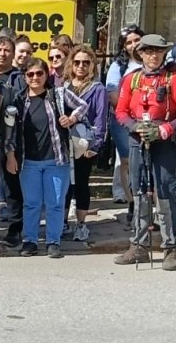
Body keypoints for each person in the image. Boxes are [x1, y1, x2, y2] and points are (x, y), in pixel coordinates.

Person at [114, 34, 176, 272]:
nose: (153, 55)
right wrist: (134, 127)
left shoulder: (174, 79)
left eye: (157, 51)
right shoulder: (131, 80)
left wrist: (166, 129)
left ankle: (171, 247)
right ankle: (138, 245)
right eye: (148, 51)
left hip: (164, 139)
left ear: (164, 53)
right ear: (140, 53)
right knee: (139, 191)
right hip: (138, 138)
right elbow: (120, 111)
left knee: (165, 193)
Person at [5, 58, 87, 259]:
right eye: (30, 74)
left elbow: (83, 105)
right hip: (28, 161)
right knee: (31, 203)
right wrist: (10, 154)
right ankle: (30, 240)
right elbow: (10, 130)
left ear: (46, 75)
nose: (35, 78)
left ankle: (53, 241)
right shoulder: (18, 101)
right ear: (25, 76)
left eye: (39, 73)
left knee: (56, 203)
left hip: (56, 160)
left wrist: (72, 118)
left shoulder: (58, 94)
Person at [63, 45, 109, 242]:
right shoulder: (64, 86)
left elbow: (101, 118)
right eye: (77, 62)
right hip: (65, 142)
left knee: (81, 182)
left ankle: (81, 224)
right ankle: (63, 222)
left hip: (85, 142)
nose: (81, 66)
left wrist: (95, 146)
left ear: (92, 66)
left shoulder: (98, 89)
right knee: (64, 184)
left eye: (86, 63)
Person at [106, 26, 144, 205]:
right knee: (127, 161)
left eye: (137, 40)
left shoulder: (152, 61)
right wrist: (129, 115)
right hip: (123, 120)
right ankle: (131, 202)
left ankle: (143, 197)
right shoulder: (118, 66)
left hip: (148, 120)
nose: (133, 45)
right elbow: (112, 92)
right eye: (129, 42)